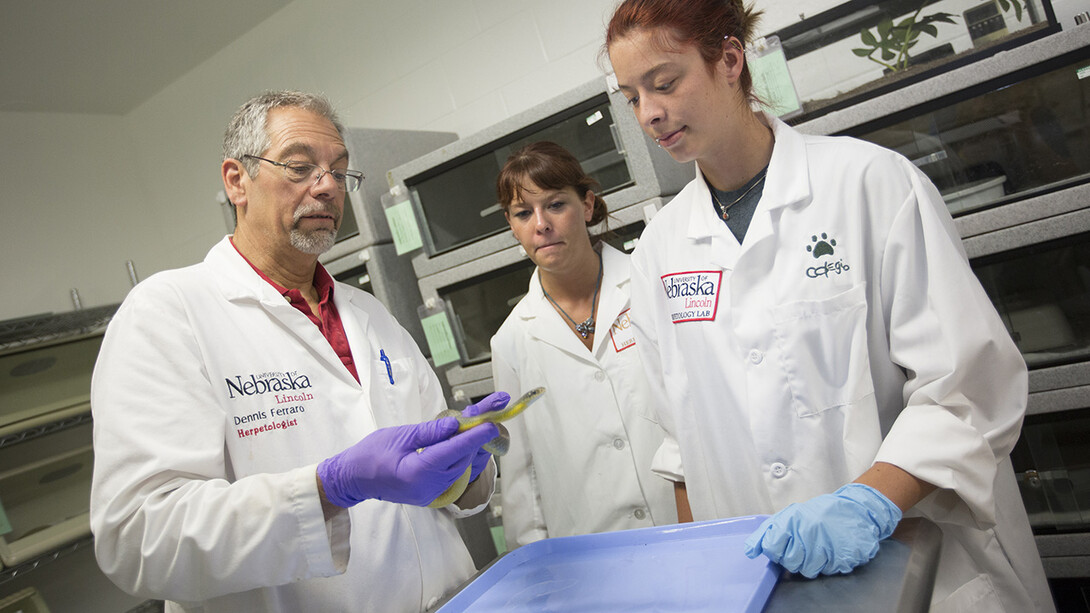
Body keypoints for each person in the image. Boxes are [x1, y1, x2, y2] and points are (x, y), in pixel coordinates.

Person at [605, 1, 1054, 611]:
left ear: (730, 60)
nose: (650, 113)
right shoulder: (660, 249)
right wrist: (701, 573)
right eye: (632, 97)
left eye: (664, 83)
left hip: (922, 563)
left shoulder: (871, 184)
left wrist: (867, 503)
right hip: (765, 584)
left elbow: (966, 387)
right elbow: (682, 446)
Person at [89, 90, 509, 613]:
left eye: (339, 170)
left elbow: (435, 484)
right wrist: (329, 487)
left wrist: (466, 469)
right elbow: (140, 540)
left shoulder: (368, 313)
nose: (328, 186)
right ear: (236, 181)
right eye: (299, 166)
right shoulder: (167, 314)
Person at [490, 142, 677, 549]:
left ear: (588, 206)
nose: (541, 224)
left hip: (687, 521)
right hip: (591, 553)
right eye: (524, 213)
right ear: (512, 225)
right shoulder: (511, 339)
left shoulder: (650, 287)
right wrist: (540, 571)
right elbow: (522, 476)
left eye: (556, 205)